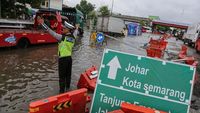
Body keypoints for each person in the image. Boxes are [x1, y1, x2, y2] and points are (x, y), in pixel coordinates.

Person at [37, 12, 76, 93]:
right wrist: (59, 22)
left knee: (62, 77)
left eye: (64, 28)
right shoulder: (73, 37)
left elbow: (52, 33)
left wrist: (43, 24)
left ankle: (61, 92)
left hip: (63, 60)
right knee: (68, 75)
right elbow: (59, 32)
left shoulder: (63, 38)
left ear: (68, 30)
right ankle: (68, 89)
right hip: (69, 59)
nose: (63, 29)